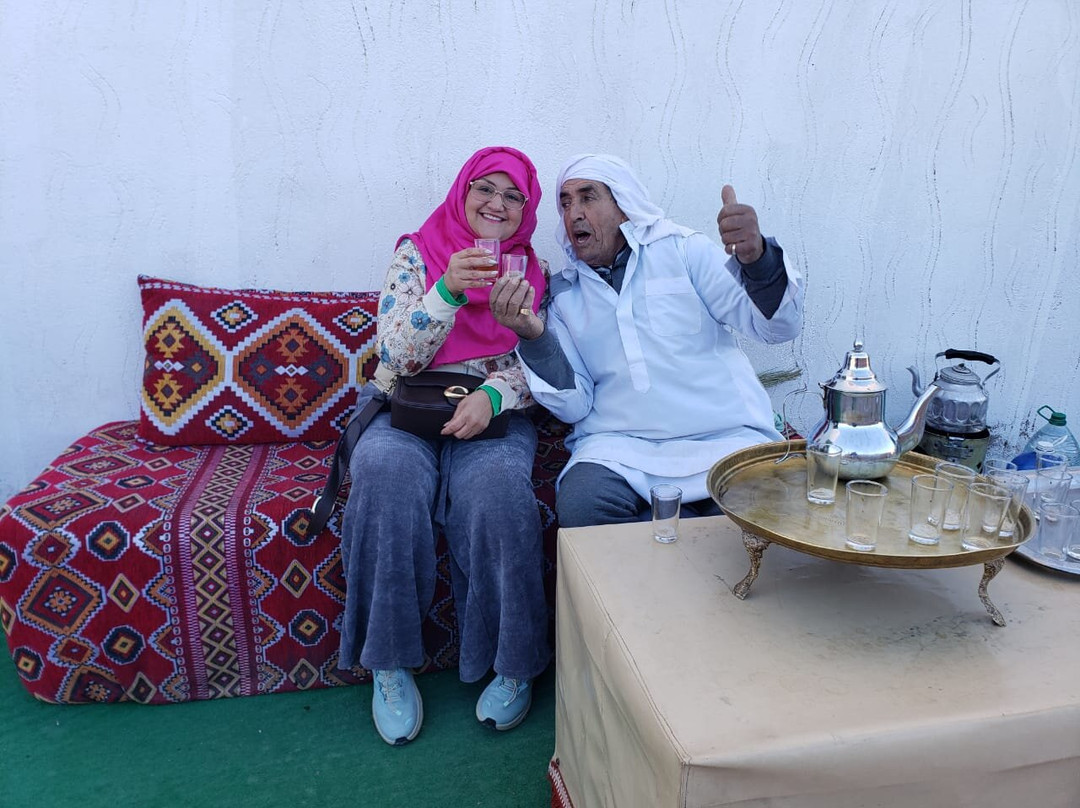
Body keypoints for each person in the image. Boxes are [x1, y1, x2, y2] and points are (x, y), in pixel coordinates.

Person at [338, 146, 550, 746]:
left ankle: (514, 665)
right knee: (384, 475)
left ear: (527, 209)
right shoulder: (417, 252)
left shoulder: (532, 271)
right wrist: (447, 292)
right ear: (463, 191)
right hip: (407, 406)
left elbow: (543, 361)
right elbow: (394, 354)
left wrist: (495, 396)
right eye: (486, 188)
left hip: (491, 413)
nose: (497, 204)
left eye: (514, 196)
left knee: (499, 492)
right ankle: (388, 663)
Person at [490, 153, 803, 526]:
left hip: (724, 435)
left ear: (623, 207)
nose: (574, 214)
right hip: (618, 448)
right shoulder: (564, 295)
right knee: (582, 505)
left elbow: (776, 328)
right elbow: (574, 405)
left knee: (756, 514)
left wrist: (757, 260)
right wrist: (533, 336)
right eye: (566, 203)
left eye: (588, 197)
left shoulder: (684, 250)